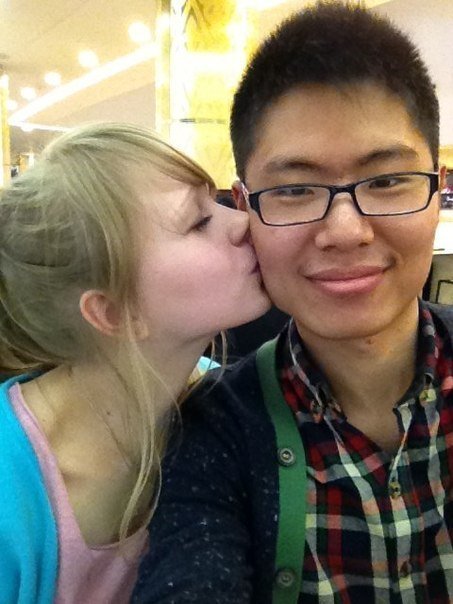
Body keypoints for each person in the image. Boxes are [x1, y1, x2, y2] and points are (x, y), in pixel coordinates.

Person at [133, 2, 453, 603]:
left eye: (387, 181)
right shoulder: (212, 433)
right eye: (296, 189)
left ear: (437, 189)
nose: (346, 231)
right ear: (244, 207)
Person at [0, 122, 270, 603]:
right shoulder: (11, 494)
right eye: (198, 221)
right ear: (115, 312)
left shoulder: (230, 407)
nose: (242, 222)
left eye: (216, 202)